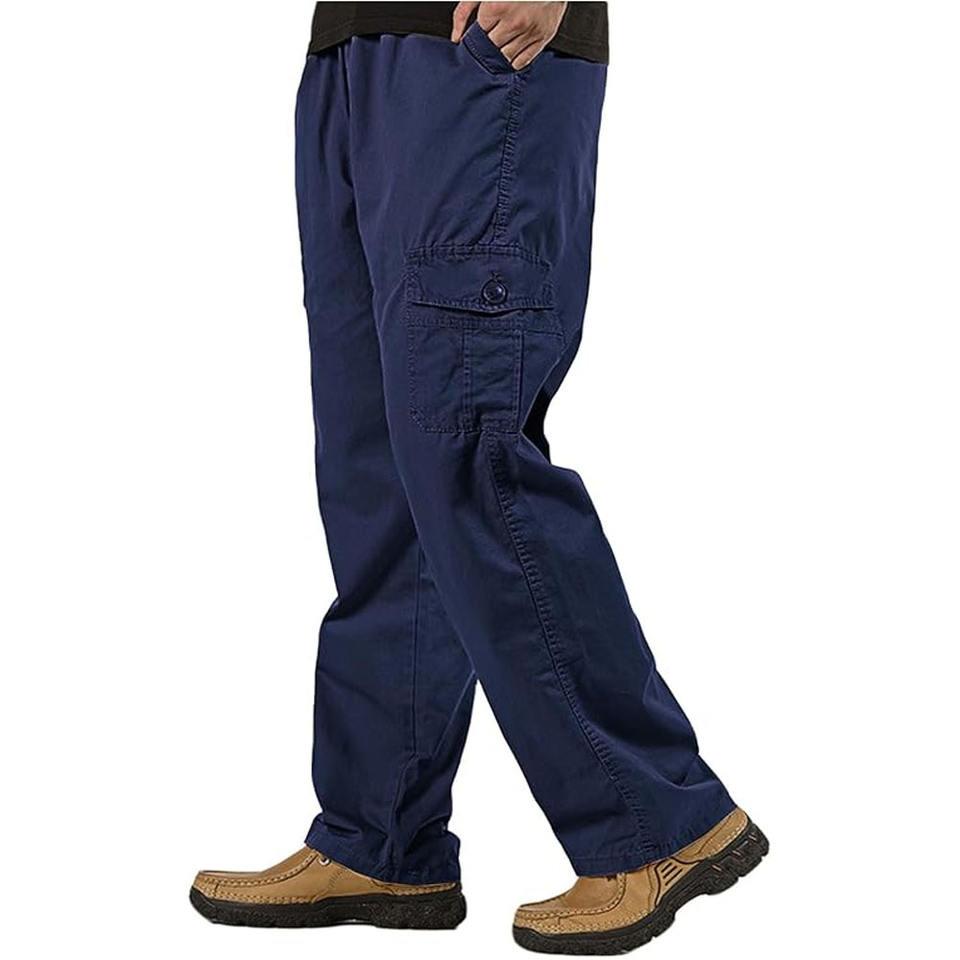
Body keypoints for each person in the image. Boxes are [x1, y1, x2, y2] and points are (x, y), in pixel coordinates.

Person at [189, 3, 767, 953]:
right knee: (380, 474)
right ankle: (382, 839)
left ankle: (660, 821)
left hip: (482, 45)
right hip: (353, 49)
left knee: (471, 450)